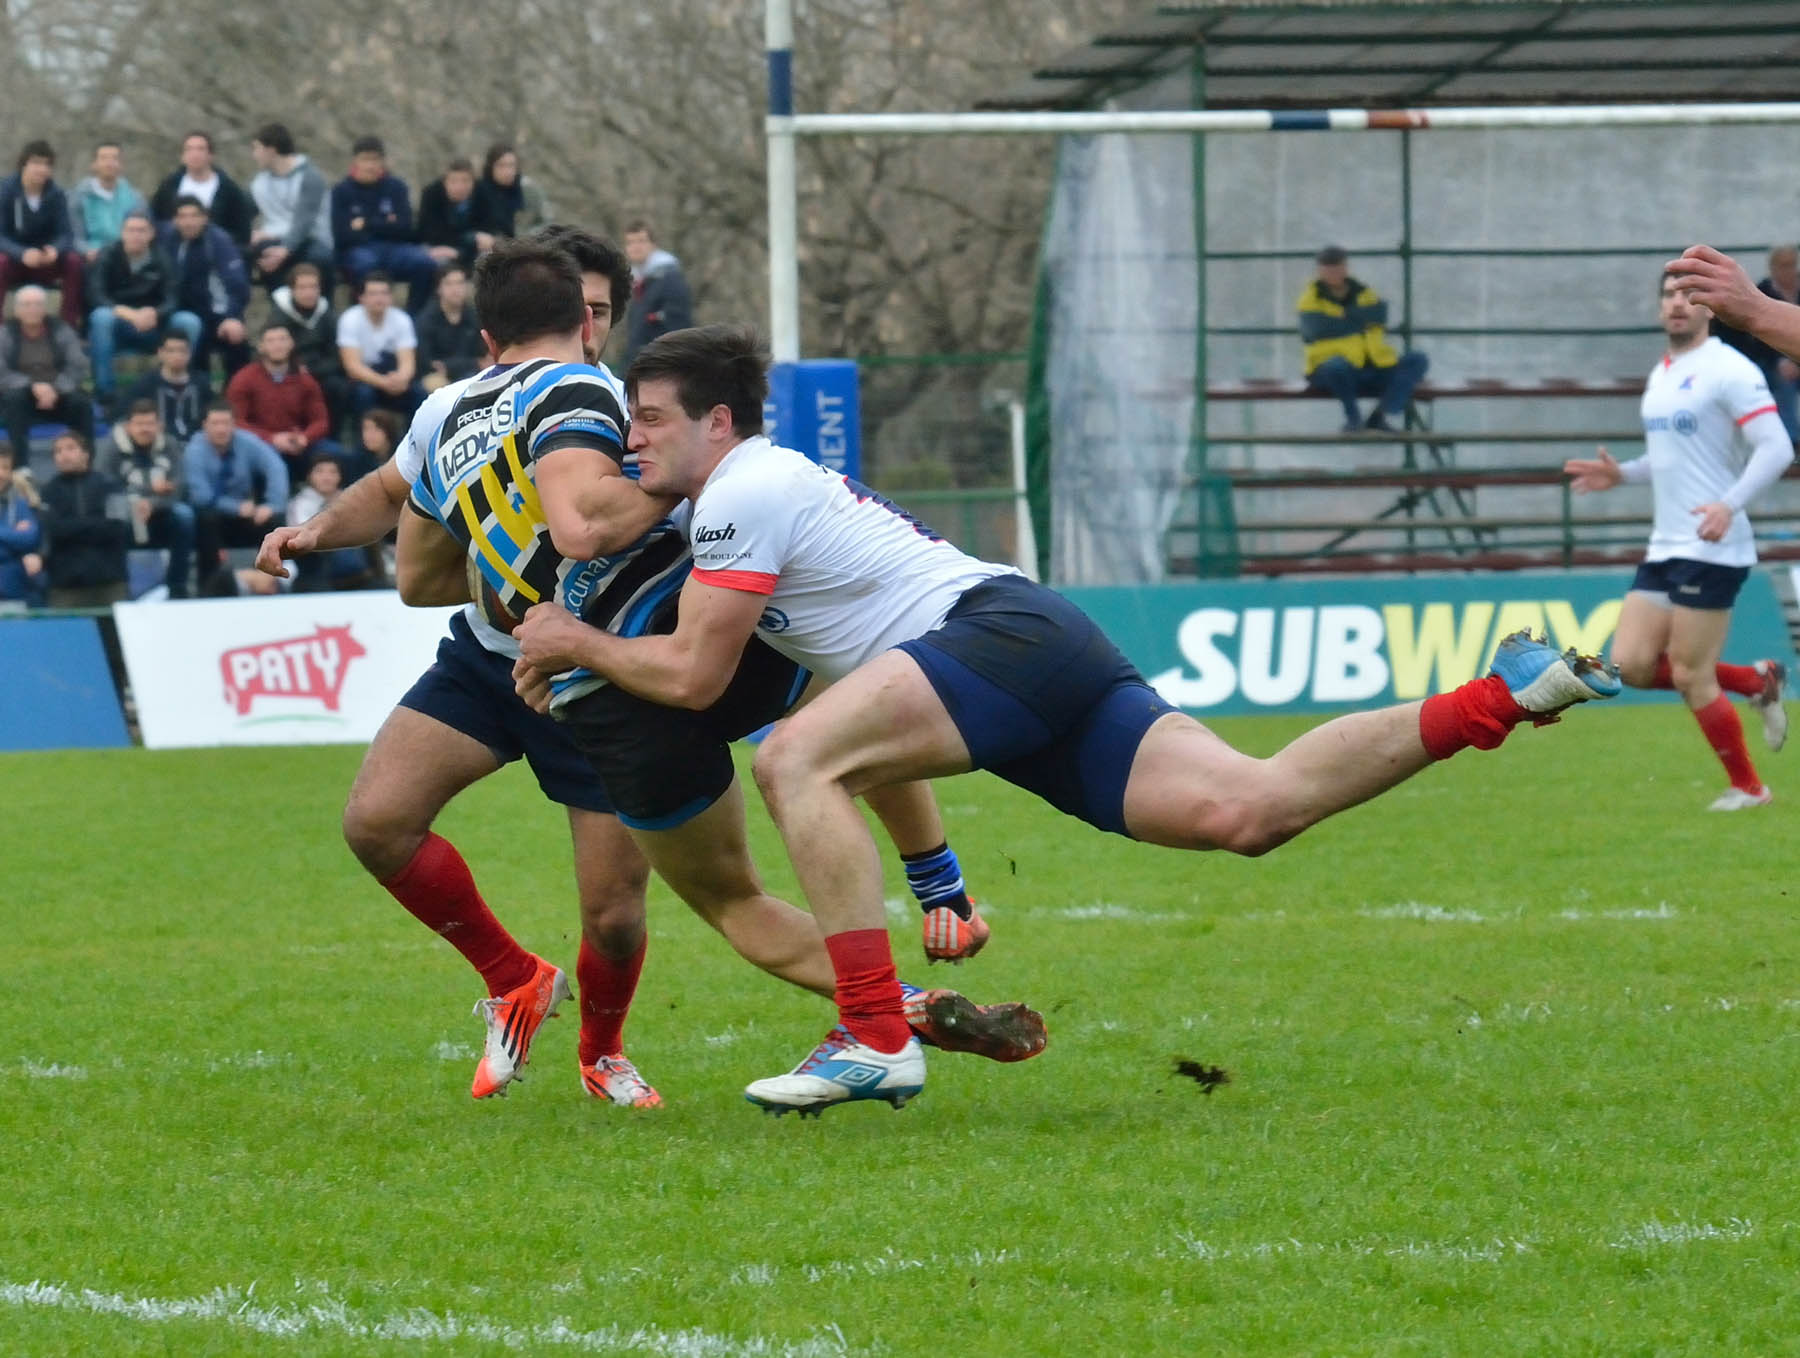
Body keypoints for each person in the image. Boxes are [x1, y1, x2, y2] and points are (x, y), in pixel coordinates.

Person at [508, 323, 1622, 1117]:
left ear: (717, 420)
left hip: (995, 636)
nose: (631, 444)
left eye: (648, 422)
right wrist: (938, 876)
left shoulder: (741, 489)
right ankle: (1504, 693)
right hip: (1031, 638)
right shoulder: (751, 489)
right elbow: (830, 690)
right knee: (1252, 807)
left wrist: (573, 642)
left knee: (797, 757)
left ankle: (874, 1034)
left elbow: (700, 680)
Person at [257, 228, 1029, 1108]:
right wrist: (324, 529)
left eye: (600, 313)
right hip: (511, 662)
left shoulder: (624, 408)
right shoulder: (466, 411)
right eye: (576, 310)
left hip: (629, 657)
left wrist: (661, 483)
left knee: (638, 900)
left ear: (606, 324)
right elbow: (404, 519)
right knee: (380, 821)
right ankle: (533, 982)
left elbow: (584, 524)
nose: (588, 328)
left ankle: (611, 1051)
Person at [1563, 272, 1792, 811]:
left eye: (1689, 296)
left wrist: (1728, 505)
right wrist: (1624, 475)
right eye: (1669, 295)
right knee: (1634, 665)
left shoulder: (1728, 369)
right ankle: (1757, 682)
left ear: (1709, 308)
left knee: (1690, 675)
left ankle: (1750, 788)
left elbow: (1777, 446)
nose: (1677, 305)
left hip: (1714, 545)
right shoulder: (1663, 373)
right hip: (1666, 545)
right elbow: (1673, 463)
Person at [1297, 245, 1429, 433]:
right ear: (1319, 271)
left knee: (1418, 360)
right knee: (1336, 367)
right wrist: (1360, 319)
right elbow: (1315, 329)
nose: (1333, 272)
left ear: (1345, 267)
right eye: (1328, 268)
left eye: (1337, 267)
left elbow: (1380, 316)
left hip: (1372, 364)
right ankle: (1353, 418)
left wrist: (1341, 320)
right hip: (1329, 370)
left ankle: (1380, 415)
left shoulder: (1364, 293)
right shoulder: (1310, 298)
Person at [87, 211, 201, 401]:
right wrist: (129, 314)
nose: (136, 235)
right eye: (131, 230)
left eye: (141, 230)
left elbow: (173, 298)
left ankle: (181, 383)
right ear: (122, 233)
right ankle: (105, 393)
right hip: (119, 324)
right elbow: (96, 295)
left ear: (151, 234)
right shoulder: (107, 255)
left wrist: (155, 313)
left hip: (155, 325)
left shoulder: (163, 258)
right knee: (101, 317)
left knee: (189, 321)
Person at [95, 399, 196, 598]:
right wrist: (141, 496)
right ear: (128, 426)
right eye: (139, 424)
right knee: (113, 522)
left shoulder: (170, 445)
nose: (145, 429)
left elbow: (179, 487)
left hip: (162, 510)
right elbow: (103, 487)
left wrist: (153, 503)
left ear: (159, 425)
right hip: (124, 511)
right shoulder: (111, 447)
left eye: (150, 424)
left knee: (185, 516)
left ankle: (177, 586)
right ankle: (120, 586)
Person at [184, 399, 287, 583]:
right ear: (205, 425)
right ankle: (211, 584)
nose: (221, 429)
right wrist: (236, 507)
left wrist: (272, 504)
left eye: (226, 423)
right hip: (213, 513)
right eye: (215, 424)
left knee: (274, 520)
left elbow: (275, 467)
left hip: (247, 512)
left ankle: (273, 581)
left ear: (234, 425)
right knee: (206, 519)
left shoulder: (247, 442)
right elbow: (201, 496)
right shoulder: (194, 451)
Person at [330, 136, 436, 312]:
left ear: (383, 161)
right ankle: (362, 316)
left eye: (375, 159)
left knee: (425, 263)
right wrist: (386, 224)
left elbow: (405, 229)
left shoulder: (396, 187)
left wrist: (366, 224)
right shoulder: (341, 191)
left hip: (395, 248)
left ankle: (413, 317)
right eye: (365, 159)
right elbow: (342, 235)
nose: (370, 165)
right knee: (364, 265)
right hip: (359, 250)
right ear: (355, 161)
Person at [1711, 244, 1800, 442]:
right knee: (1783, 383)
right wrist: (1781, 362)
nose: (1789, 270)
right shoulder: (1760, 292)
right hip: (1771, 361)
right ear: (1773, 267)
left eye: (1792, 264)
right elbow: (1757, 337)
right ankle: (1793, 441)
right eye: (1783, 265)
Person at [225, 323, 336, 478]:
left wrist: (305, 438)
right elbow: (236, 423)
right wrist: (272, 439)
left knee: (337, 455)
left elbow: (320, 421)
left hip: (299, 444)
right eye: (271, 341)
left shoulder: (305, 380)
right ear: (261, 347)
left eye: (282, 339)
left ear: (291, 344)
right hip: (261, 445)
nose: (277, 345)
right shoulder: (244, 380)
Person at [160, 196, 251, 377]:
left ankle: (234, 396)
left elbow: (237, 285)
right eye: (183, 217)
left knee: (235, 340)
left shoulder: (218, 242)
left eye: (194, 216)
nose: (189, 222)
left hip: (216, 312)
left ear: (205, 218)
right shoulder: (167, 241)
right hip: (179, 311)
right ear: (175, 220)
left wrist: (231, 316)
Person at [0, 285, 91, 460]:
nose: (33, 309)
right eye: (27, 305)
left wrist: (54, 389)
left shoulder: (61, 330)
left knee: (81, 404)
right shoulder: (5, 334)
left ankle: (86, 462)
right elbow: (1, 372)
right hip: (20, 396)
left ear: (45, 308)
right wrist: (32, 386)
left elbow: (78, 366)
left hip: (59, 393)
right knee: (13, 400)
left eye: (38, 304)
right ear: (16, 310)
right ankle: (20, 466)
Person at [39, 430, 129, 607]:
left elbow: (118, 527)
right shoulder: (47, 491)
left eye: (70, 448)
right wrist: (96, 523)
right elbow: (54, 530)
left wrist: (72, 527)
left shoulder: (112, 485)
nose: (64, 455)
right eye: (58, 451)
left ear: (86, 454)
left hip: (110, 582)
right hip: (65, 585)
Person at [0, 141, 84, 327]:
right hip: (14, 260)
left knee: (74, 261)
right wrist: (21, 253)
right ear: (24, 165)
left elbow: (66, 234)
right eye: (36, 163)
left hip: (45, 261)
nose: (42, 170)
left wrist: (55, 250)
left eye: (47, 165)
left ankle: (67, 326)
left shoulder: (56, 194)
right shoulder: (5, 191)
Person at [247, 123, 335, 295]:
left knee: (318, 259)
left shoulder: (310, 178)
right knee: (258, 253)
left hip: (311, 240)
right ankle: (281, 309)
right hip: (277, 239)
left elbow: (304, 223)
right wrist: (248, 234)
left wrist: (284, 250)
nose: (254, 155)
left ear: (271, 150)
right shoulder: (260, 182)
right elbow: (245, 211)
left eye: (257, 149)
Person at [336, 272, 423, 428]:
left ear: (391, 297)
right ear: (361, 298)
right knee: (363, 394)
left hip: (391, 374)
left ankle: (416, 443)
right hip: (364, 379)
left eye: (384, 293)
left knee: (419, 393)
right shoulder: (350, 319)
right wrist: (383, 383)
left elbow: (408, 362)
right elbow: (352, 367)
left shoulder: (401, 319)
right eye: (373, 294)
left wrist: (401, 379)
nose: (379, 298)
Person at [287, 453, 383, 591]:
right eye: (320, 472)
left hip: (354, 566)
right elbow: (301, 537)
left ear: (340, 476)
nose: (326, 477)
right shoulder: (299, 503)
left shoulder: (351, 499)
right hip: (315, 568)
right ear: (310, 476)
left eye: (332, 472)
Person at [268, 262, 346, 430]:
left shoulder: (327, 315)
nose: (308, 293)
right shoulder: (279, 316)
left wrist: (313, 370)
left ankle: (333, 433)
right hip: (289, 371)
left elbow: (336, 355)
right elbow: (272, 351)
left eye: (313, 287)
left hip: (320, 371)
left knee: (338, 387)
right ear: (292, 290)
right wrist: (294, 367)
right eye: (302, 287)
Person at [149, 131, 255, 248]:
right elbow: (154, 218)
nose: (195, 154)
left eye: (200, 149)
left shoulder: (229, 190)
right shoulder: (169, 185)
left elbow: (242, 232)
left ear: (211, 155)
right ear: (182, 156)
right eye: (189, 149)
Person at [622, 219, 692, 366]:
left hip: (660, 366)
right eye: (630, 242)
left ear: (653, 245)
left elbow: (678, 328)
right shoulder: (639, 282)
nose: (635, 247)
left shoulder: (670, 279)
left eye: (641, 241)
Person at [125, 329, 210, 440]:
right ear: (160, 353)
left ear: (189, 353)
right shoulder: (146, 384)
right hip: (158, 444)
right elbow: (124, 416)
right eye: (171, 351)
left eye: (182, 351)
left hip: (196, 443)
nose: (177, 355)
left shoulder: (201, 383)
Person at [71, 141, 147, 264]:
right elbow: (75, 236)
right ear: (94, 164)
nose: (109, 163)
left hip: (127, 258)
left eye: (114, 159)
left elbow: (142, 233)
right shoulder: (79, 197)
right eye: (104, 158)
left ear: (121, 165)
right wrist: (87, 251)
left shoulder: (135, 198)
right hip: (93, 258)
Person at [415, 262, 483, 390]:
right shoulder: (426, 319)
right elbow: (426, 362)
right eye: (449, 283)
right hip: (435, 376)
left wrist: (449, 366)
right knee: (435, 385)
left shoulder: (475, 317)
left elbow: (482, 358)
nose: (455, 289)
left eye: (460, 283)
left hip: (470, 374)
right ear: (438, 288)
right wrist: (471, 364)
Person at [0, 443, 45, 605]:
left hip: (14, 590)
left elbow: (29, 538)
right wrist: (13, 535)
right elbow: (19, 541)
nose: (1, 474)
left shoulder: (20, 504)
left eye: (5, 468)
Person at [417, 159, 480, 270]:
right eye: (453, 181)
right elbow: (429, 232)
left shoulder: (481, 194)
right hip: (436, 246)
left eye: (465, 181)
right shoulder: (431, 194)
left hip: (467, 249)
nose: (459, 187)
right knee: (437, 262)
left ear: (473, 182)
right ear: (445, 182)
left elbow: (488, 229)